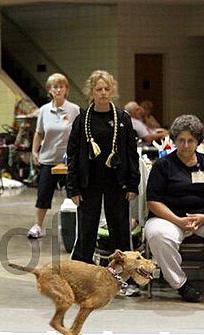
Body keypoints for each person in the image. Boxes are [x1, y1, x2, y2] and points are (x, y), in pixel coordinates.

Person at [145, 114, 204, 304]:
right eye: (181, 140)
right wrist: (178, 221)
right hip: (170, 218)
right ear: (174, 140)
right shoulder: (162, 166)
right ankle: (181, 285)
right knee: (156, 234)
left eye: (190, 141)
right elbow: (153, 202)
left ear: (198, 141)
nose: (186, 145)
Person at [66, 70, 140, 264]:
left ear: (112, 90)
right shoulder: (82, 120)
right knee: (86, 229)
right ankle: (82, 269)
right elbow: (72, 155)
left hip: (117, 182)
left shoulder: (122, 118)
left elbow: (132, 153)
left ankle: (123, 272)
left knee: (120, 229)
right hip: (88, 182)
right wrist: (72, 188)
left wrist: (133, 184)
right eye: (99, 89)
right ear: (92, 92)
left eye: (107, 89)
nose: (103, 93)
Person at [27, 73, 80, 239]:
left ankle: (79, 225)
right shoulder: (43, 110)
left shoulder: (74, 110)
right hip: (48, 159)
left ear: (66, 90)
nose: (58, 90)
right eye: (54, 87)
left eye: (61, 86)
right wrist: (34, 152)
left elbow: (79, 135)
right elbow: (39, 133)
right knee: (43, 194)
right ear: (49, 90)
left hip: (69, 161)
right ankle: (37, 226)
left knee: (75, 194)